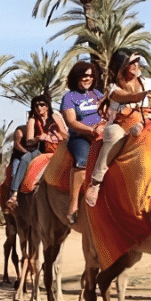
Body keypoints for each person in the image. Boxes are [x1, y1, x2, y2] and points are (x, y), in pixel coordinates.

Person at [85, 49, 151, 207]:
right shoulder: (113, 87)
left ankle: (145, 123)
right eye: (131, 62)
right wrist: (145, 94)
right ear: (122, 65)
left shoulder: (148, 82)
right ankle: (96, 181)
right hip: (123, 125)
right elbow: (125, 97)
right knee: (112, 133)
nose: (136, 65)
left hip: (147, 120)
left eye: (137, 61)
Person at [60, 61, 105, 224]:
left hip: (102, 132)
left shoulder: (98, 95)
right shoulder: (69, 97)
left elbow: (108, 112)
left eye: (91, 75)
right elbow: (71, 121)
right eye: (84, 75)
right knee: (82, 162)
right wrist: (91, 130)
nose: (88, 79)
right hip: (80, 136)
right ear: (76, 76)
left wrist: (102, 125)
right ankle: (73, 204)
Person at [5, 95, 67, 211]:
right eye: (36, 105)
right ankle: (14, 193)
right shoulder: (33, 121)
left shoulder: (55, 117)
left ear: (47, 106)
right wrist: (39, 138)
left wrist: (53, 136)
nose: (39, 107)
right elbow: (29, 141)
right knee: (25, 159)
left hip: (58, 149)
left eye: (42, 105)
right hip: (41, 151)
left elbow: (65, 135)